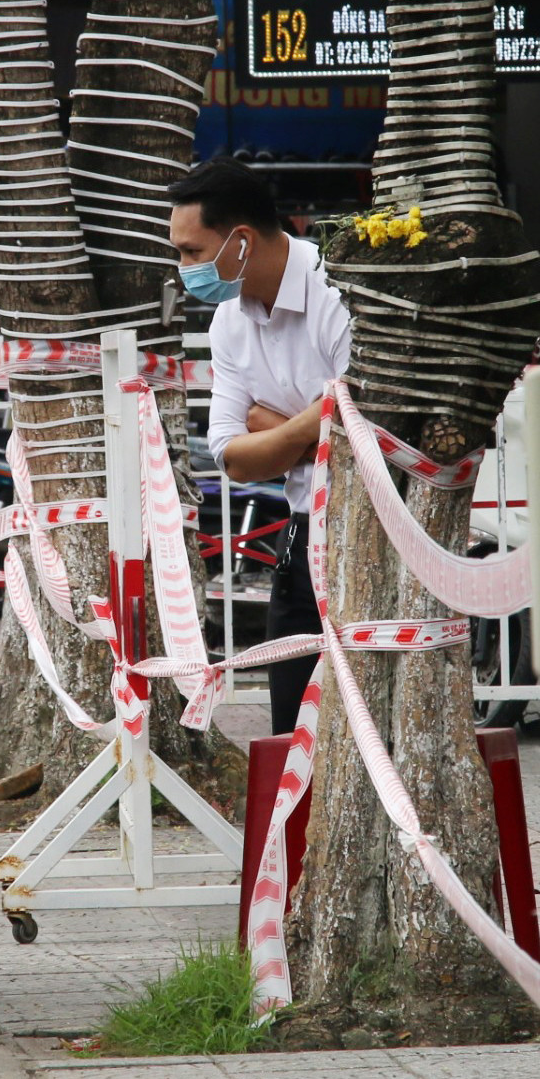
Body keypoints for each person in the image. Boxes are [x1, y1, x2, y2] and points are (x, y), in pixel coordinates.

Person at [169, 158, 350, 735]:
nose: (184, 270)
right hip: (300, 531)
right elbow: (230, 456)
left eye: (192, 252)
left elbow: (363, 424)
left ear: (241, 241)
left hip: (369, 528)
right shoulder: (229, 321)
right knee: (290, 724)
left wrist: (270, 425)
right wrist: (315, 424)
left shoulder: (338, 292)